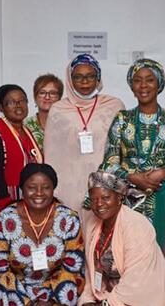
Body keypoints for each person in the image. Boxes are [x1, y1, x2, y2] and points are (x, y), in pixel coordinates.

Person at [97, 58, 165, 300]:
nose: (143, 85)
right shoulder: (122, 119)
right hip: (127, 205)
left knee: (161, 265)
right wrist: (132, 177)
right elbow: (108, 163)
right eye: (137, 80)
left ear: (159, 84)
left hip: (162, 204)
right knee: (127, 266)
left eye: (149, 80)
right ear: (131, 85)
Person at [79, 171, 165, 306]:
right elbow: (91, 270)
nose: (99, 204)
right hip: (112, 296)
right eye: (94, 199)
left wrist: (106, 304)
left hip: (147, 298)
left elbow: (137, 281)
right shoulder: (92, 223)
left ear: (119, 197)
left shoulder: (136, 225)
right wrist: (89, 299)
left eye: (105, 198)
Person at [0, 163, 84, 305]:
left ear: (53, 189)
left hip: (56, 289)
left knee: (68, 286)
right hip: (15, 290)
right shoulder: (3, 220)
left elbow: (72, 265)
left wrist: (49, 301)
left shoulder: (68, 219)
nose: (39, 193)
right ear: (22, 188)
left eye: (46, 187)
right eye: (31, 187)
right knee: (2, 287)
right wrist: (28, 302)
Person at [44, 54, 124, 212]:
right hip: (69, 185)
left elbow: (123, 149)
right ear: (70, 79)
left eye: (90, 76)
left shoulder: (114, 106)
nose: (84, 82)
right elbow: (52, 154)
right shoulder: (58, 110)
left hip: (105, 182)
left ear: (98, 78)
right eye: (78, 77)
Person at [0, 84, 43, 209]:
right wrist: (5, 204)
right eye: (11, 102)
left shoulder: (26, 130)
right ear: (1, 107)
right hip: (8, 200)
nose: (18, 105)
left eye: (22, 100)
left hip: (32, 198)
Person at [25, 73, 64, 150]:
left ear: (59, 97)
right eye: (42, 93)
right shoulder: (25, 126)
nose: (47, 97)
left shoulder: (67, 124)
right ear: (35, 97)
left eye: (52, 93)